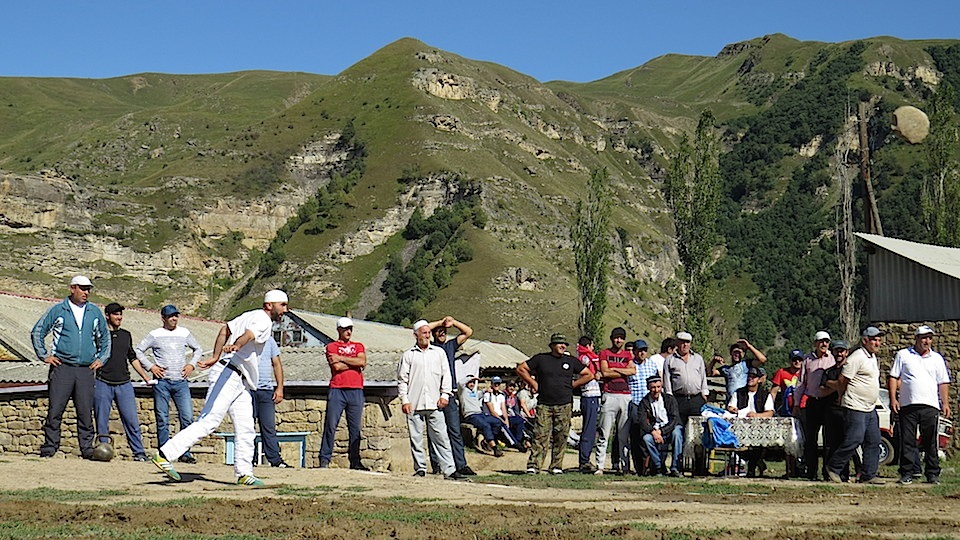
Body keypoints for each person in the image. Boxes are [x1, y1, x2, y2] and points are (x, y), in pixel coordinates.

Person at [151, 290, 289, 486]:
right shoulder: (264, 321)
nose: (285, 309)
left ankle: (244, 473)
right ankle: (165, 454)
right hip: (230, 374)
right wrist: (237, 346)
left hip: (239, 378)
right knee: (210, 420)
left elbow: (225, 330)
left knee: (246, 427)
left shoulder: (249, 315)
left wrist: (216, 356)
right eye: (282, 305)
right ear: (269, 305)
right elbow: (247, 336)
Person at [31, 276, 110, 458]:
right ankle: (50, 447)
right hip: (62, 367)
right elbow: (38, 331)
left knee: (84, 410)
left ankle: (87, 448)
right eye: (82, 288)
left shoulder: (94, 312)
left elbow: (104, 338)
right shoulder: (59, 309)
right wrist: (44, 355)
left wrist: (101, 359)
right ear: (72, 288)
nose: (86, 292)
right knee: (56, 408)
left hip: (85, 369)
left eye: (88, 289)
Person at [516, 333, 593, 475]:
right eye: (559, 344)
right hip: (544, 403)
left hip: (564, 404)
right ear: (552, 345)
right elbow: (521, 368)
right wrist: (533, 382)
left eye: (564, 344)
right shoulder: (541, 359)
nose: (563, 346)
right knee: (540, 435)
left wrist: (573, 385)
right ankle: (534, 465)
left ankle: (556, 466)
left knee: (561, 435)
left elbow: (589, 374)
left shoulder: (571, 361)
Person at [135, 304, 203, 464]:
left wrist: (191, 365)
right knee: (162, 418)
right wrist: (151, 366)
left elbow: (198, 349)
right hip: (162, 382)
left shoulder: (184, 333)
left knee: (187, 418)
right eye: (171, 316)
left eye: (176, 316)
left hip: (181, 382)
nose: (174, 319)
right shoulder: (155, 335)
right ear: (163, 318)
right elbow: (138, 350)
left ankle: (185, 452)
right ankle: (164, 453)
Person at [397, 320, 463, 480]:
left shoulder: (438, 353)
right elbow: (402, 379)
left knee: (441, 437)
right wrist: (404, 400)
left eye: (428, 332)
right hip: (415, 402)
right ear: (416, 335)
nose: (427, 335)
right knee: (416, 437)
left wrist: (445, 395)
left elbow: (446, 375)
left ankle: (449, 469)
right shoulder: (408, 355)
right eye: (424, 332)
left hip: (435, 403)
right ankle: (420, 468)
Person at [889, 325, 951, 485]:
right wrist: (893, 399)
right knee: (907, 440)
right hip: (908, 404)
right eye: (924, 338)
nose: (927, 341)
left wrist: (945, 402)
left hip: (930, 405)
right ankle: (907, 472)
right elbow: (894, 377)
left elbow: (943, 382)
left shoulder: (937, 358)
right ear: (916, 339)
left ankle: (932, 473)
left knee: (930, 441)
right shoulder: (903, 355)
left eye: (929, 338)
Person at [826, 326, 886, 484]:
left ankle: (868, 474)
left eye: (879, 340)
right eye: (874, 340)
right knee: (855, 439)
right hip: (855, 406)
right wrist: (841, 396)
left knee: (874, 440)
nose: (877, 343)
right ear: (865, 340)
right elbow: (842, 381)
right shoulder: (856, 357)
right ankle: (834, 467)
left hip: (870, 407)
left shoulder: (872, 357)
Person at [95, 302, 151, 461]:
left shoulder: (126, 335)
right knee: (101, 420)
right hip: (102, 382)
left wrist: (145, 377)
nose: (119, 317)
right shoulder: (99, 335)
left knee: (131, 420)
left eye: (120, 314)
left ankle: (139, 453)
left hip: (124, 383)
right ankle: (103, 451)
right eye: (115, 314)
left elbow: (132, 357)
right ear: (107, 316)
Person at [427, 316, 475, 477]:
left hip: (450, 394)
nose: (442, 333)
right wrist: (440, 322)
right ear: (433, 334)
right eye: (439, 332)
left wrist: (453, 322)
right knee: (435, 431)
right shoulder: (429, 347)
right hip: (434, 394)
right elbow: (423, 327)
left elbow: (468, 332)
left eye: (444, 332)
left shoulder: (450, 346)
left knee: (454, 430)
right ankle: (437, 465)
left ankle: (460, 464)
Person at [320, 317, 367, 470]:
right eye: (345, 328)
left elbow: (362, 362)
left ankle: (355, 461)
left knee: (355, 428)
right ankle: (324, 458)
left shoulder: (358, 345)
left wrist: (342, 358)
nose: (348, 331)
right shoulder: (331, 346)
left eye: (350, 329)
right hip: (338, 389)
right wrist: (353, 363)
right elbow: (337, 367)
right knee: (331, 425)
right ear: (339, 329)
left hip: (356, 389)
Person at [793, 330, 835, 480]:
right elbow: (801, 383)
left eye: (827, 341)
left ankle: (828, 472)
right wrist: (797, 404)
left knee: (829, 439)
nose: (824, 344)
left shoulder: (833, 359)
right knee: (810, 439)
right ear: (815, 343)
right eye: (821, 341)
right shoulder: (807, 360)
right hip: (812, 401)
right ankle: (811, 472)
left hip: (828, 402)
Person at [662, 331, 709, 464]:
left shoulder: (698, 358)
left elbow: (703, 378)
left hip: (696, 399)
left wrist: (704, 395)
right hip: (678, 400)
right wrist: (670, 400)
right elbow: (667, 382)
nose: (685, 345)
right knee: (678, 431)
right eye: (682, 342)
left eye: (687, 342)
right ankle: (677, 464)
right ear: (677, 343)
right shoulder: (670, 360)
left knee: (698, 433)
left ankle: (698, 465)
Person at [596, 327, 636, 475]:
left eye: (621, 338)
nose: (618, 340)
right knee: (604, 433)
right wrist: (622, 369)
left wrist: (615, 369)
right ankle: (600, 466)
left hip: (625, 395)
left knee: (623, 435)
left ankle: (625, 466)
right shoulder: (605, 353)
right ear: (612, 338)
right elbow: (605, 371)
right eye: (616, 338)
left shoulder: (627, 354)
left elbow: (633, 371)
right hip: (609, 394)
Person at [727, 366, 774, 476]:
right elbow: (730, 407)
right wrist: (734, 410)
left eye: (753, 377)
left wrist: (756, 415)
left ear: (759, 380)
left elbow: (770, 413)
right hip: (740, 427)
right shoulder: (738, 393)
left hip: (759, 428)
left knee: (758, 444)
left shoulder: (765, 394)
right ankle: (752, 465)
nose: (750, 379)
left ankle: (753, 467)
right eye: (749, 376)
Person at [252, 335, 290, 468]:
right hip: (248, 389)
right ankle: (249, 458)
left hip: (266, 390)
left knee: (269, 427)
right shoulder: (244, 339)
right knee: (247, 426)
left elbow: (276, 363)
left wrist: (279, 388)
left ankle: (275, 459)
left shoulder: (270, 340)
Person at [820, 339, 856, 481]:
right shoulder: (828, 371)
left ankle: (844, 474)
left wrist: (831, 384)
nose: (839, 353)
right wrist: (839, 385)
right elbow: (821, 391)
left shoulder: (850, 369)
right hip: (830, 411)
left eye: (842, 350)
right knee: (830, 444)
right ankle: (828, 473)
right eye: (836, 350)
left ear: (846, 352)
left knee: (846, 443)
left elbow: (849, 386)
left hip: (847, 409)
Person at [633, 375, 682, 476]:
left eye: (658, 387)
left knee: (677, 434)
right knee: (647, 439)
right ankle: (658, 466)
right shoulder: (644, 402)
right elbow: (642, 422)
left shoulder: (669, 399)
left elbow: (674, 418)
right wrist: (653, 432)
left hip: (669, 428)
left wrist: (662, 431)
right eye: (653, 387)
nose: (656, 390)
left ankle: (675, 467)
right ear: (648, 388)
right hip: (654, 430)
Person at [627, 339, 658, 475]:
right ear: (634, 351)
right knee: (636, 436)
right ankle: (639, 467)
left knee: (649, 434)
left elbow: (658, 381)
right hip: (635, 403)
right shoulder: (629, 365)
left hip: (649, 405)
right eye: (639, 350)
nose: (642, 353)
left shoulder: (652, 364)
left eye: (644, 350)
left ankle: (650, 466)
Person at [459, 376, 507, 456]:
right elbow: (460, 383)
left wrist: (487, 389)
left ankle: (486, 440)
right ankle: (494, 448)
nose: (472, 384)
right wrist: (472, 378)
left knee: (497, 422)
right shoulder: (463, 391)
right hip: (471, 415)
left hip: (480, 414)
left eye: (473, 382)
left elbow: (483, 392)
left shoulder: (474, 393)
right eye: (470, 382)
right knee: (486, 426)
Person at [575, 336, 602, 473]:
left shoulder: (585, 357)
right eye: (592, 346)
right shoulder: (585, 358)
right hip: (589, 395)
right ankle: (584, 460)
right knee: (589, 429)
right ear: (589, 345)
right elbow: (587, 373)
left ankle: (585, 458)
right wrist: (594, 374)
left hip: (592, 396)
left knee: (591, 428)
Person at [482, 376, 519, 448]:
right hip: (491, 416)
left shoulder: (501, 395)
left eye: (498, 384)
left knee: (518, 420)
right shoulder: (488, 395)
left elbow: (503, 408)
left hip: (500, 415)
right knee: (502, 425)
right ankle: (515, 443)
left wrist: (506, 419)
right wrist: (502, 420)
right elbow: (491, 411)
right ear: (492, 384)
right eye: (495, 383)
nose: (496, 385)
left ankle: (520, 439)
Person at [770, 349, 804, 415]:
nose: (797, 362)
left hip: (801, 407)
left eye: (800, 360)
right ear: (790, 361)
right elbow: (773, 392)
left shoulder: (806, 374)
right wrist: (770, 408)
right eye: (794, 360)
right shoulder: (781, 372)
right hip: (786, 407)